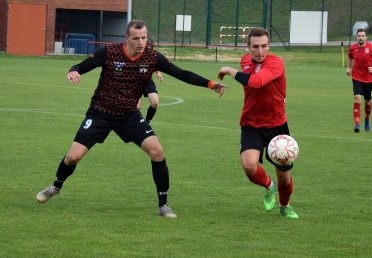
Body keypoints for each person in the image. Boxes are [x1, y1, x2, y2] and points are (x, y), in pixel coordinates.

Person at [36, 20, 227, 218]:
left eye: (144, 37)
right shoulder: (110, 52)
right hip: (101, 112)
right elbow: (82, 65)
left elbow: (182, 73)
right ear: (127, 38)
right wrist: (74, 70)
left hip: (129, 115)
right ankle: (55, 186)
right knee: (73, 157)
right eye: (136, 38)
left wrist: (210, 84)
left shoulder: (152, 57)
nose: (141, 42)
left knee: (157, 151)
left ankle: (163, 206)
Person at [217, 27, 298, 218]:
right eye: (255, 47)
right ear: (248, 47)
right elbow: (249, 79)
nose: (260, 51)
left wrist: (229, 70)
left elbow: (256, 82)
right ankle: (269, 186)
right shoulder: (245, 60)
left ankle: (285, 206)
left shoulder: (276, 63)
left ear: (269, 45)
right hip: (251, 123)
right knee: (248, 165)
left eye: (264, 46)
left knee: (284, 178)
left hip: (276, 125)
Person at [346, 28, 372, 133]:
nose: (361, 37)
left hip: (369, 79)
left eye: (363, 36)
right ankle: (357, 124)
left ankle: (367, 118)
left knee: (367, 102)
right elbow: (350, 56)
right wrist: (348, 68)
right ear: (356, 37)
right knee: (357, 98)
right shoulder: (353, 48)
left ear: (366, 37)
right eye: (359, 36)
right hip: (356, 77)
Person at [137, 41, 163, 124]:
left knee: (155, 102)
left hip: (148, 82)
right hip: (135, 83)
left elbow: (155, 64)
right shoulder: (134, 56)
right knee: (137, 107)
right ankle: (135, 124)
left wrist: (158, 72)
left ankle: (146, 123)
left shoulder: (151, 57)